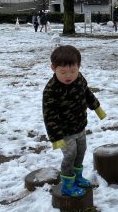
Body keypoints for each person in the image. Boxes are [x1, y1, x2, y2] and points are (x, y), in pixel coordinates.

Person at [43, 45, 106, 197]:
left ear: (79, 66)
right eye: (63, 72)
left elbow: (87, 94)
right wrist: (56, 138)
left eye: (73, 71)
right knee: (70, 155)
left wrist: (97, 108)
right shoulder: (51, 90)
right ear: (53, 68)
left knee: (81, 152)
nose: (68, 76)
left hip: (80, 126)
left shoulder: (79, 79)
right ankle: (67, 184)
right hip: (64, 131)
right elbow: (49, 115)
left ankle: (77, 177)